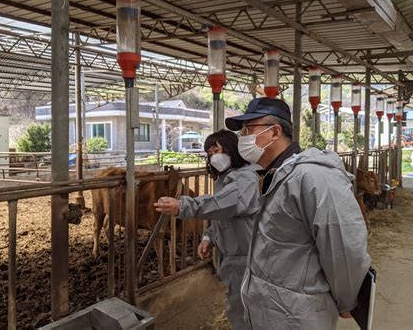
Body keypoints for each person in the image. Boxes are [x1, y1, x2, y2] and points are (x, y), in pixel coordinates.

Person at [224, 97, 370, 330]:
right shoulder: (271, 175)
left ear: (274, 132)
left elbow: (344, 245)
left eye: (249, 129)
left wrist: (347, 299)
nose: (243, 137)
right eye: (243, 131)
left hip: (298, 315)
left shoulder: (313, 177)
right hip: (270, 309)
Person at [154, 130, 260, 330]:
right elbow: (224, 214)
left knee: (244, 310)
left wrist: (184, 206)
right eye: (209, 153)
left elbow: (230, 204)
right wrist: (208, 236)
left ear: (232, 148)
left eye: (216, 150)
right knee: (239, 305)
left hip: (246, 256)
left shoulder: (246, 177)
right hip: (234, 254)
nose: (213, 157)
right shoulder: (226, 178)